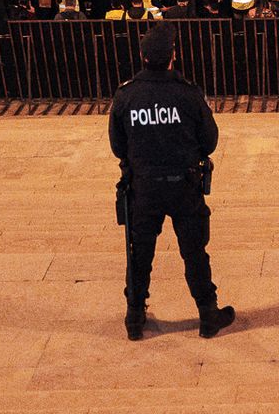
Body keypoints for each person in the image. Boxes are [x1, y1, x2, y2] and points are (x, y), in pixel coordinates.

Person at [107, 24, 233, 341]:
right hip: (183, 186)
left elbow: (117, 147)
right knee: (194, 252)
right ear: (173, 56)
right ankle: (208, 315)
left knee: (139, 254)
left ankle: (134, 317)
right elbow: (210, 140)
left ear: (142, 57)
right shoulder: (187, 94)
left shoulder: (126, 95)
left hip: (143, 188)